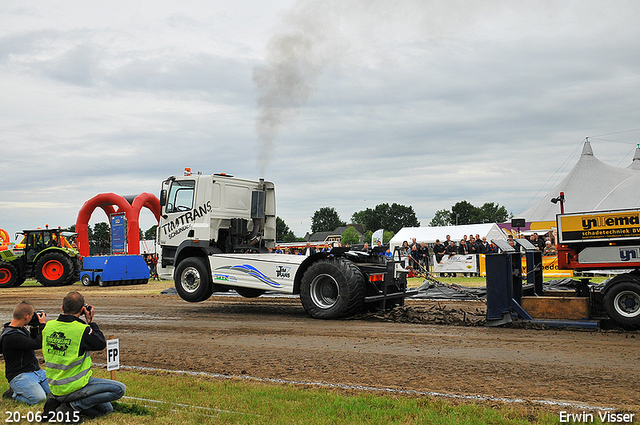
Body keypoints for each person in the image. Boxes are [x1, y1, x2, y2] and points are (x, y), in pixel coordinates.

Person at [42, 291, 125, 418]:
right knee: (119, 389)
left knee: (106, 409)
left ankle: (57, 403)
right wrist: (90, 321)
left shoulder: (49, 326)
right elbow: (100, 343)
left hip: (54, 385)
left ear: (62, 308)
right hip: (74, 385)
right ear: (82, 310)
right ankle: (72, 407)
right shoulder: (81, 330)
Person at [0, 301, 49, 405]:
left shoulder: (19, 329)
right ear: (27, 316)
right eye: (32, 316)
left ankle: (29, 388)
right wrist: (42, 326)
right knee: (39, 398)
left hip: (36, 372)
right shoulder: (11, 336)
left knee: (54, 393)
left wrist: (34, 327)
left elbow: (31, 341)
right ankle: (13, 394)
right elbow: (37, 344)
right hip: (20, 375)